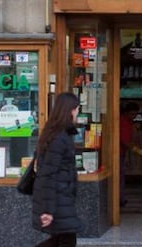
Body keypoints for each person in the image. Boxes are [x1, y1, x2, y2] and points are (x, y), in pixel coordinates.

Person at [32, 92, 83, 247]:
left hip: (61, 199)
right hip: (58, 200)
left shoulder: (57, 134)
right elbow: (48, 175)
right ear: (70, 110)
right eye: (77, 109)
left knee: (60, 240)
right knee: (66, 240)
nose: (78, 113)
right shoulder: (59, 138)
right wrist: (48, 210)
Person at [119, 101, 142, 207]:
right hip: (118, 152)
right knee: (119, 177)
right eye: (132, 114)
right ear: (126, 113)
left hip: (122, 152)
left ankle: (121, 198)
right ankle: (120, 199)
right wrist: (136, 149)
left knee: (121, 176)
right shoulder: (123, 122)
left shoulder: (129, 122)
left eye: (135, 114)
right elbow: (124, 140)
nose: (134, 116)